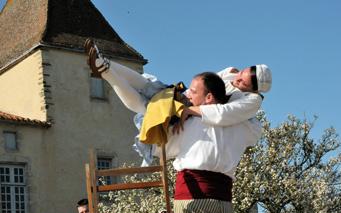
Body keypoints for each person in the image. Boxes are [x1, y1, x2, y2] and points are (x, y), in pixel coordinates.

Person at [84, 39, 272, 165]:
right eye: (241, 73)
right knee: (148, 85)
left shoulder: (252, 101)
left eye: (242, 82)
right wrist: (187, 92)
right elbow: (208, 81)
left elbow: (224, 114)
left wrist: (192, 111)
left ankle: (106, 70)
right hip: (185, 97)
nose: (237, 79)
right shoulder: (231, 74)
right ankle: (105, 64)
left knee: (146, 105)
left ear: (254, 89)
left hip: (190, 107)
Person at [151, 72, 262, 213]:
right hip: (224, 203)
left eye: (193, 92)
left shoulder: (187, 122)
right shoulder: (244, 123)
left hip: (193, 199)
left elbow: (159, 150)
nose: (187, 94)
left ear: (209, 97)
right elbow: (255, 133)